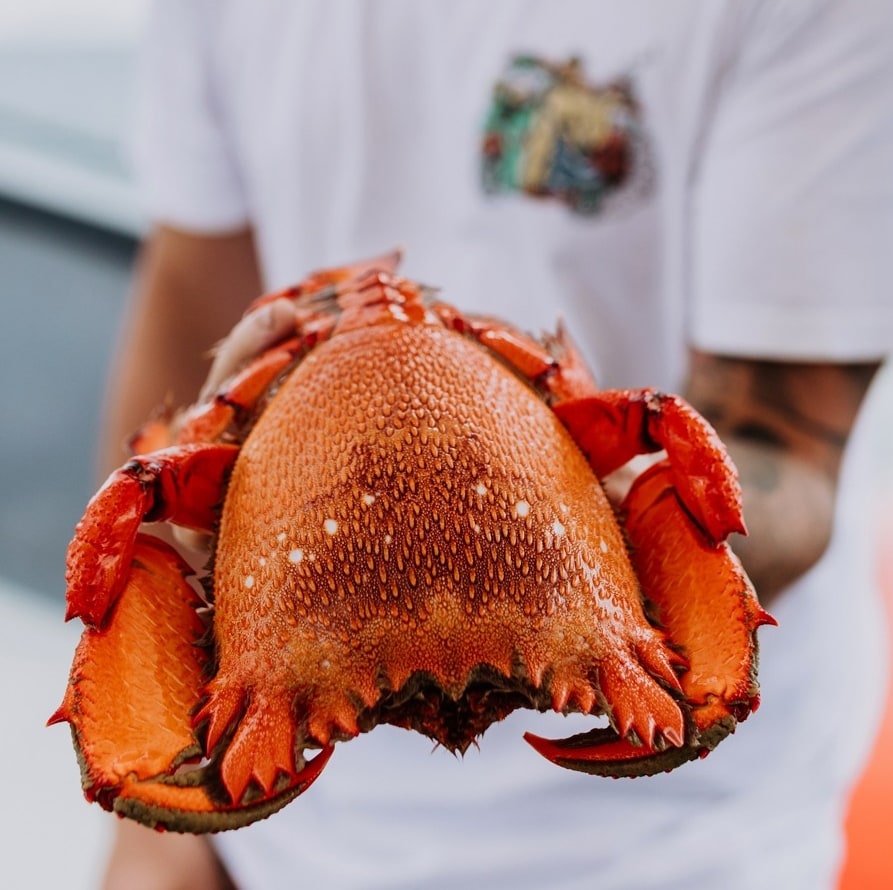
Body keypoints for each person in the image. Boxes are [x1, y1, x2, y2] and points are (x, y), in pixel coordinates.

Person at [98, 1, 893, 888]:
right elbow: (188, 292)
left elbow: (775, 443)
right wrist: (154, 836)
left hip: (679, 840)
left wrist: (549, 572)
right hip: (280, 823)